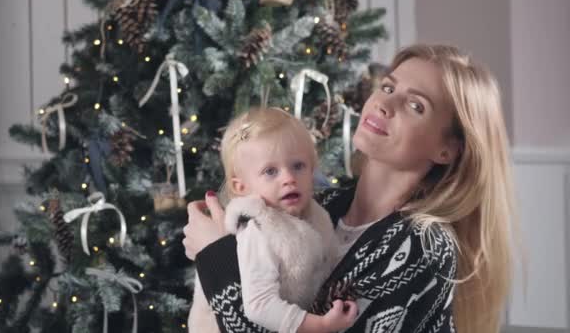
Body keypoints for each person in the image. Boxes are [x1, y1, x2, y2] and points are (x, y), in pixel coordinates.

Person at [183, 44, 516, 333]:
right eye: (387, 87)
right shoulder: (322, 204)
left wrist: (214, 253)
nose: (385, 105)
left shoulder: (424, 247)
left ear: (447, 149)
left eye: (416, 106)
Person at [187, 107, 358, 333]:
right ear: (242, 187)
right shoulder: (256, 228)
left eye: (298, 166)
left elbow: (331, 263)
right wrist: (320, 325)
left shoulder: (317, 214)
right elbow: (259, 305)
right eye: (270, 171)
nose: (288, 178)